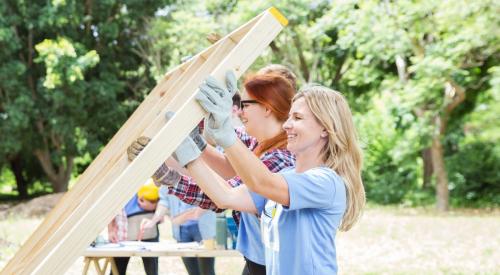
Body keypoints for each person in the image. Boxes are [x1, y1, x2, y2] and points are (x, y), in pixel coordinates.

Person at [164, 77, 366, 274]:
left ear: (325, 128)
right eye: (289, 117)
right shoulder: (286, 175)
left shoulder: (326, 182)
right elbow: (225, 196)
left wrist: (226, 136)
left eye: (297, 118)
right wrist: (190, 156)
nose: (286, 124)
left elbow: (261, 181)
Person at [128, 67, 297, 275]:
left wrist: (171, 177)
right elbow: (229, 168)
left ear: (267, 108)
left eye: (244, 105)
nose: (239, 111)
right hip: (258, 260)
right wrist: (197, 140)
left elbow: (224, 195)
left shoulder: (280, 160)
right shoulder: (260, 146)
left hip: (274, 265)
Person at [141, 186, 216, 275]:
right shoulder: (168, 177)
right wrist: (153, 221)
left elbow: (208, 201)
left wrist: (181, 218)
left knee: (207, 271)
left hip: (203, 228)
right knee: (192, 272)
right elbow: (164, 201)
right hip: (181, 231)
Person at [107, 182, 160, 275]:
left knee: (152, 270)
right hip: (123, 231)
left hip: (147, 229)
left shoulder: (147, 179)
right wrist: (110, 230)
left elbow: (162, 201)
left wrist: (152, 204)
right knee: (117, 270)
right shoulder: (117, 184)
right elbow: (110, 208)